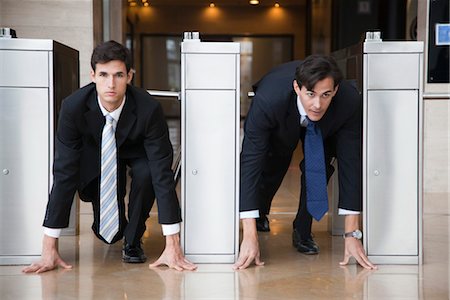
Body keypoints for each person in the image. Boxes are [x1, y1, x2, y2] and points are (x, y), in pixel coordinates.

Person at [23, 40, 196, 273]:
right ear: (92, 75)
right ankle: (113, 226)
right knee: (107, 235)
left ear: (129, 76)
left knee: (148, 173)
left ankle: (133, 240)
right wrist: (48, 246)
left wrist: (173, 243)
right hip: (95, 156)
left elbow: (162, 173)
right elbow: (64, 173)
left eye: (119, 75)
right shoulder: (73, 107)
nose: (111, 84)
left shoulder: (148, 108)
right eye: (104, 75)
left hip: (136, 152)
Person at [233, 55, 377, 270]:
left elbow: (351, 164)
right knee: (273, 163)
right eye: (310, 94)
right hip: (282, 116)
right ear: (297, 87)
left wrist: (352, 234)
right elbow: (250, 163)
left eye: (326, 95)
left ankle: (302, 230)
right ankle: (260, 214)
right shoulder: (268, 101)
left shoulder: (348, 101)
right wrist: (249, 235)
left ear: (336, 90)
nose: (317, 104)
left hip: (327, 126)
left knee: (319, 167)